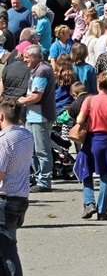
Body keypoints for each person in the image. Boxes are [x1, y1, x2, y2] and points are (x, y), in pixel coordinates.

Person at [74, 70, 107, 220]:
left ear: (98, 84)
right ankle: (102, 211)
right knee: (105, 176)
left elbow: (79, 120)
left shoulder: (89, 100)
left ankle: (89, 203)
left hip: (92, 139)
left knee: (86, 172)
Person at [0, 98, 32, 276]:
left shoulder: (4, 141)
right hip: (20, 196)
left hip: (5, 198)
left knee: (7, 248)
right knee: (5, 247)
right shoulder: (26, 135)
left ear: (1, 116)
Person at [18, 45, 56, 193]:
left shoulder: (42, 71)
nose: (24, 60)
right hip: (32, 115)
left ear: (35, 57)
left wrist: (20, 101)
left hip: (41, 116)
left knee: (42, 149)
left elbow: (36, 96)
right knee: (31, 149)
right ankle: (38, 177)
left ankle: (44, 181)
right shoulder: (38, 69)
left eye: (27, 57)